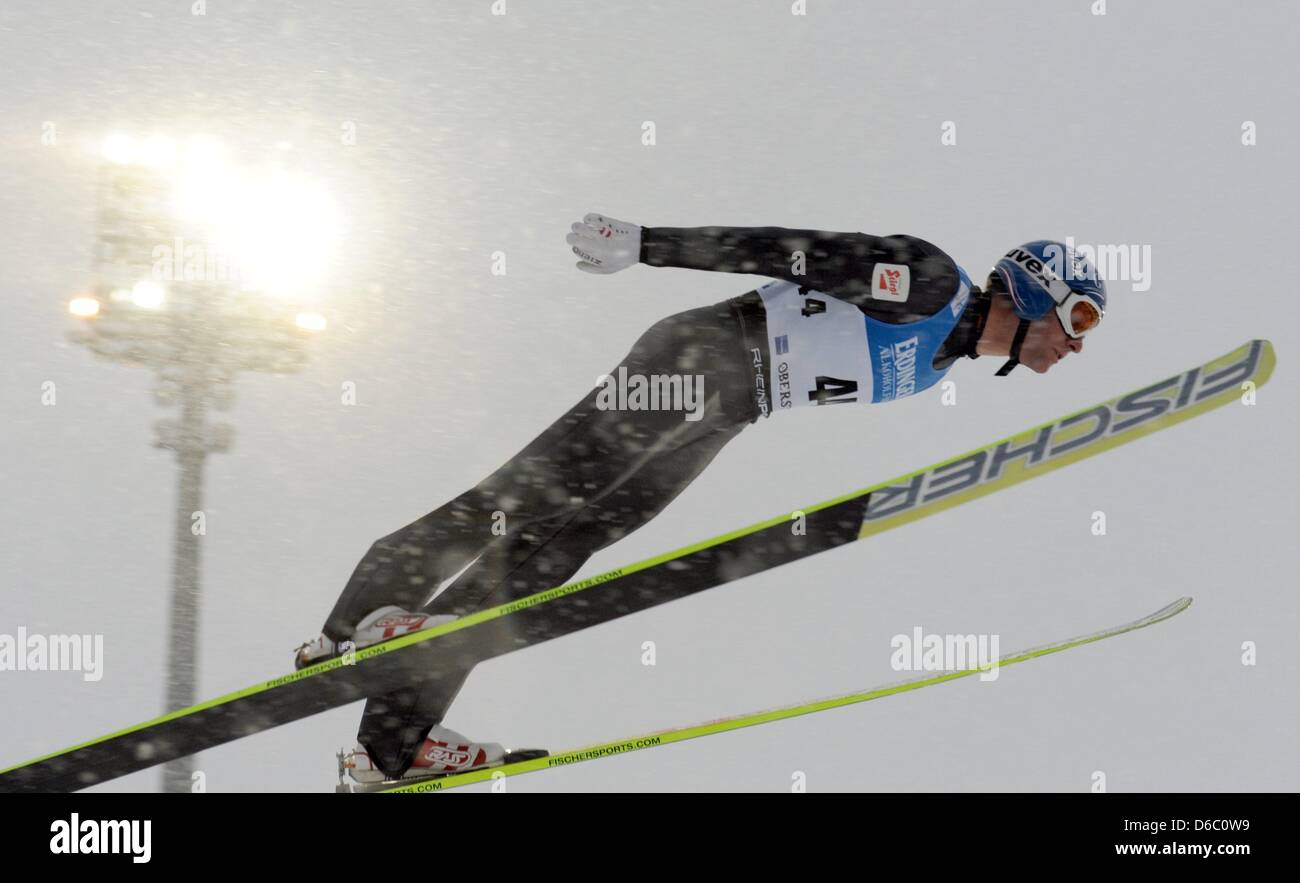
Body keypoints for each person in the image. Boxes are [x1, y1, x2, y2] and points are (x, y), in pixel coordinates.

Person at [296, 214, 1108, 784]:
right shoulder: (932, 286)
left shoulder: (937, 365)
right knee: (525, 497)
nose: (1076, 344)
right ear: (1035, 289)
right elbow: (792, 250)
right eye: (1078, 317)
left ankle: (388, 749)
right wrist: (649, 244)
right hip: (703, 357)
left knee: (547, 558)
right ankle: (357, 623)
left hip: (730, 408)